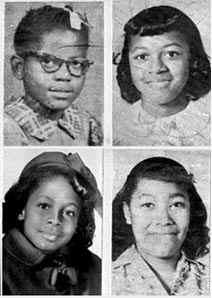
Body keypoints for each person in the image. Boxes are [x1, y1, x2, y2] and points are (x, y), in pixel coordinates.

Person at [3, 151, 102, 295]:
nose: (55, 220)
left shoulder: (96, 268)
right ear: (21, 209)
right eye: (44, 206)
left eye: (69, 212)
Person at [4, 4, 103, 146]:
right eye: (48, 61)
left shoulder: (86, 124)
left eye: (75, 63)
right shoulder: (8, 129)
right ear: (19, 67)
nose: (64, 75)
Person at [113, 5, 211, 146]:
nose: (157, 68)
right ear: (127, 64)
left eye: (171, 54)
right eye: (142, 56)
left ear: (192, 59)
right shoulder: (117, 128)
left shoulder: (207, 127)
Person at [112, 156, 210, 295]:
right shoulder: (107, 280)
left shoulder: (208, 278)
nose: (164, 219)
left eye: (176, 204)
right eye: (148, 205)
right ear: (127, 212)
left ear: (191, 210)